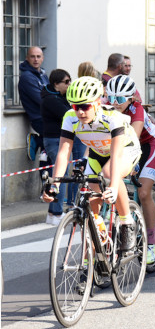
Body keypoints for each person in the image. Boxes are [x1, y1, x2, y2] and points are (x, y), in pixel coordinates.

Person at [41, 76, 142, 255]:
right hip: (98, 154)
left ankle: (127, 224)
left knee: (109, 173)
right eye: (75, 106)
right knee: (90, 210)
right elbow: (64, 152)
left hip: (125, 150)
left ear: (96, 102)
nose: (79, 112)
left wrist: (112, 187)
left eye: (85, 106)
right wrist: (55, 184)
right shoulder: (69, 118)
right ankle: (91, 263)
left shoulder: (112, 117)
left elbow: (117, 155)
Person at [104, 75, 155, 264]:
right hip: (118, 142)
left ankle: (151, 242)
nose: (115, 103)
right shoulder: (107, 107)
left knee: (144, 192)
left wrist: (133, 164)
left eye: (120, 99)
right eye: (111, 98)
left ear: (131, 98)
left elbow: (133, 140)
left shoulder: (137, 111)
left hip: (145, 144)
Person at [40, 69, 84, 225]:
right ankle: (57, 212)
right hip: (54, 140)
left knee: (58, 173)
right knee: (61, 174)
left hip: (58, 139)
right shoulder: (51, 100)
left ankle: (53, 213)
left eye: (70, 80)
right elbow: (68, 114)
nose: (69, 84)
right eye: (66, 82)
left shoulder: (58, 96)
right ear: (56, 84)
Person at [19, 46, 50, 162]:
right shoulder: (27, 77)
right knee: (53, 142)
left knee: (47, 152)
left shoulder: (43, 74)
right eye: (32, 57)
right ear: (27, 58)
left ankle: (38, 141)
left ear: (42, 58)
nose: (36, 59)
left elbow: (50, 94)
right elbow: (41, 99)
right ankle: (37, 141)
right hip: (39, 118)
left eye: (38, 56)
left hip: (47, 116)